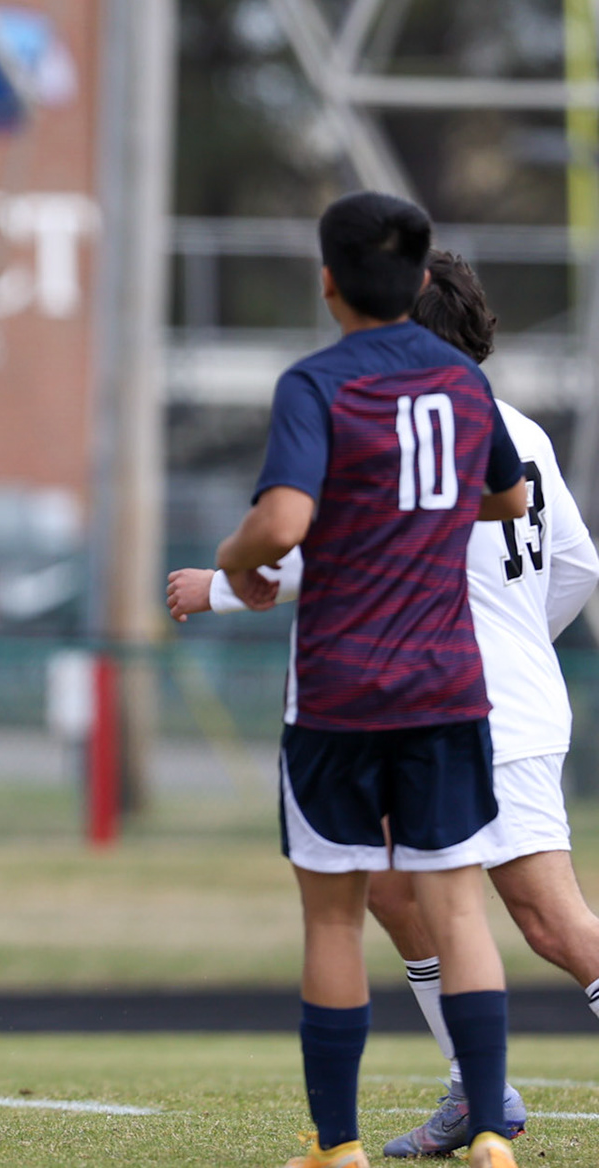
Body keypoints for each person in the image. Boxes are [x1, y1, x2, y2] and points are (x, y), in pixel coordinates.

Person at [169, 251, 599, 1157]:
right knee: (401, 893)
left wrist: (215, 587)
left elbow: (339, 548)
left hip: (483, 712)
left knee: (552, 921)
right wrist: (523, 641)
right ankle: (479, 1095)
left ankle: (431, 1113)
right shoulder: (516, 426)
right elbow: (578, 568)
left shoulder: (414, 428)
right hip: (479, 699)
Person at [212, 194, 527, 1168]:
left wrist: (234, 559)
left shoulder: (317, 382)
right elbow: (508, 495)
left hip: (342, 688)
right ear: (424, 278)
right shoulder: (466, 384)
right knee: (458, 904)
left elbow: (281, 522)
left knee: (334, 910)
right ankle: (487, 1131)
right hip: (446, 685)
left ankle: (339, 1142)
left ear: (328, 280)